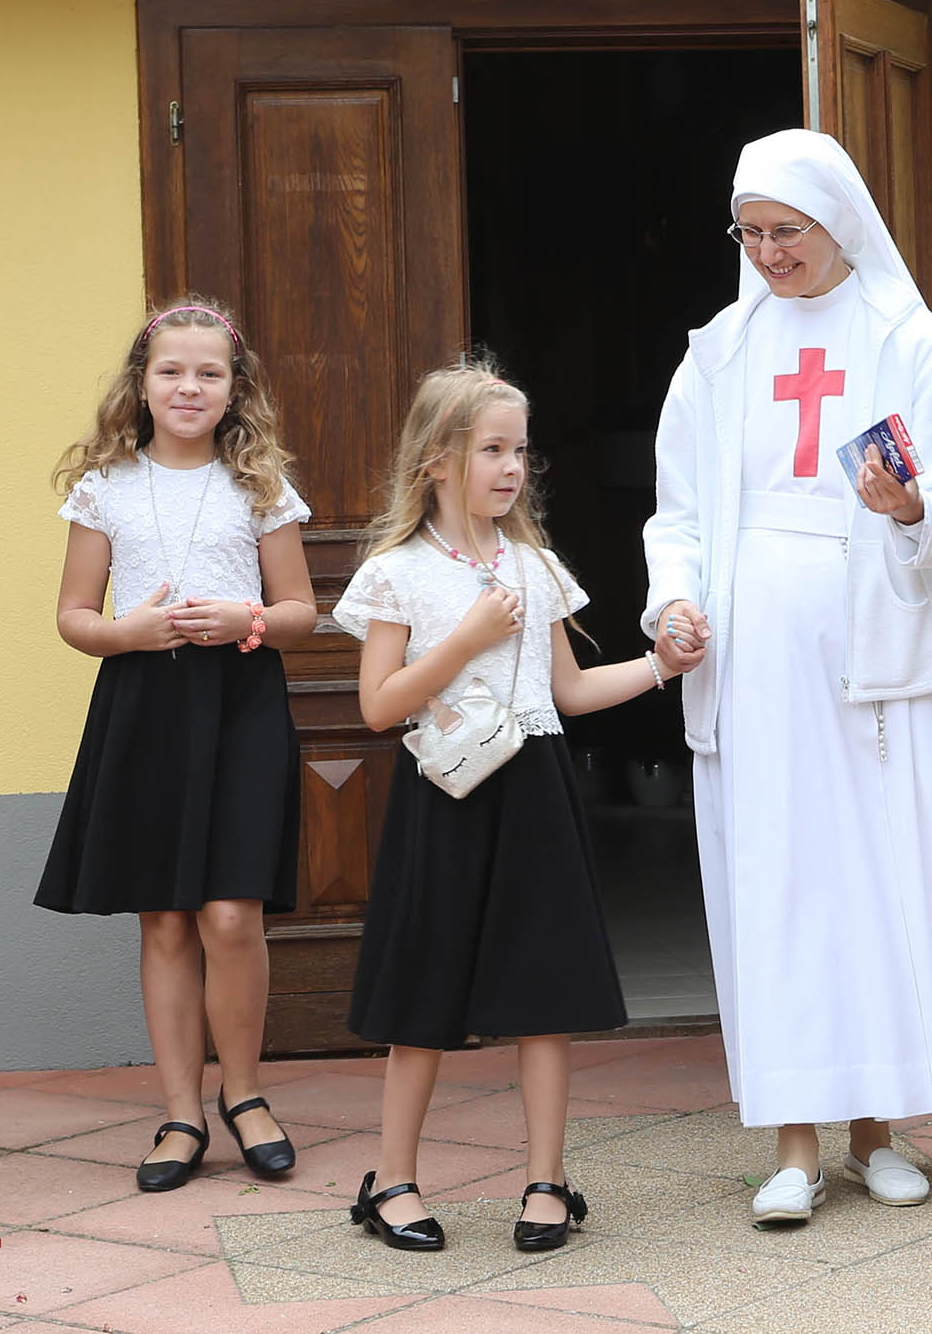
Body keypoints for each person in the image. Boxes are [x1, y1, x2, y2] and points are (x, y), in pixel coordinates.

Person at [642, 129, 932, 1224]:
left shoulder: (907, 338)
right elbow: (678, 514)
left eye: (785, 231)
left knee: (878, 884)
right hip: (755, 658)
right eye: (748, 233)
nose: (766, 253)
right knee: (781, 887)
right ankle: (795, 1146)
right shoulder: (718, 353)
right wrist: (673, 601)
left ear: (836, 221)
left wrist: (912, 508)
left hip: (875, 656)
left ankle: (876, 1131)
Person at [332, 358, 682, 1253]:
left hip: (536, 788)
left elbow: (569, 690)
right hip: (444, 794)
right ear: (437, 459)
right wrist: (467, 638)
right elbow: (378, 705)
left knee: (543, 986)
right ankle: (393, 1179)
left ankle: (547, 1178)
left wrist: (661, 667)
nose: (512, 467)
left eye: (520, 450)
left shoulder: (535, 565)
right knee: (424, 984)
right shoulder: (398, 572)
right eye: (492, 449)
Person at [38, 298, 317, 1194]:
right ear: (142, 383)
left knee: (231, 913)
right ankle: (180, 1112)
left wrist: (248, 619)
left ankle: (246, 1094)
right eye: (171, 370)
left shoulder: (261, 484)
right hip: (145, 704)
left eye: (208, 372)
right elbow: (74, 615)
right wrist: (127, 632)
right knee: (164, 916)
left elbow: (303, 612)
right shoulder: (106, 485)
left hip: (241, 701)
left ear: (236, 388)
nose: (189, 386)